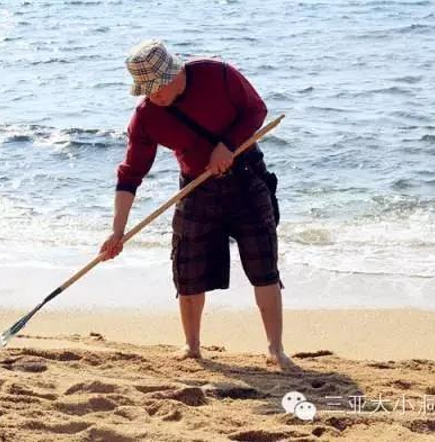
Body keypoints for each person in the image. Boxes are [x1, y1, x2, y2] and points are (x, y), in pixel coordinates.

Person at [100, 39, 295, 370]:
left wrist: (227, 145)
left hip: (247, 179)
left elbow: (256, 110)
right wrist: (117, 230)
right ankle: (192, 346)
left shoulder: (218, 74)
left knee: (264, 270)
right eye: (146, 90)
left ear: (174, 72)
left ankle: (275, 349)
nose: (154, 95)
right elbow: (130, 174)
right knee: (187, 273)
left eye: (158, 86)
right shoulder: (146, 117)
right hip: (195, 188)